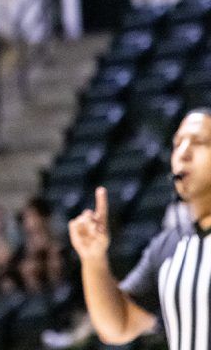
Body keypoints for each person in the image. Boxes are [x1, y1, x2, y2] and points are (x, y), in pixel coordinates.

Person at [68, 108, 211, 348]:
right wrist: (93, 260)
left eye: (199, 142)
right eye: (177, 144)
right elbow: (118, 326)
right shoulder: (169, 247)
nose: (183, 153)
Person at [16, 196, 66, 293]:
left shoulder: (55, 237)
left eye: (32, 216)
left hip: (56, 281)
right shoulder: (26, 242)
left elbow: (57, 267)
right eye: (26, 217)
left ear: (42, 217)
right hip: (34, 288)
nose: (28, 221)